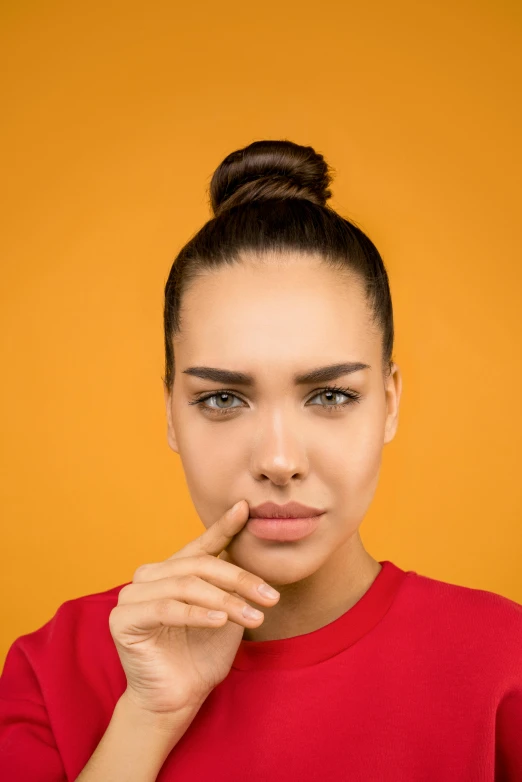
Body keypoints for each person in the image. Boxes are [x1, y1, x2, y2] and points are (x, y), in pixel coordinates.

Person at [0, 139, 521, 781]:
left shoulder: (504, 662)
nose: (279, 460)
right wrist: (147, 717)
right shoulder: (56, 668)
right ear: (171, 412)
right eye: (223, 397)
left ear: (388, 403)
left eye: (330, 395)